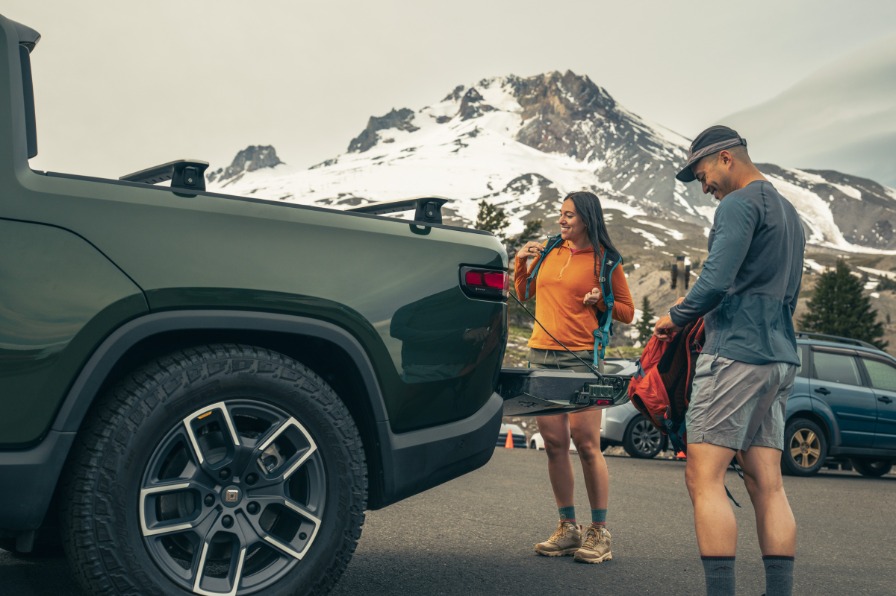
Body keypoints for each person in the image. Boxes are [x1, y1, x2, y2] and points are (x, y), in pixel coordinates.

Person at [653, 125, 805, 596]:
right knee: (768, 485)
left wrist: (674, 318)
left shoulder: (738, 204)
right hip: (779, 358)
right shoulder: (790, 212)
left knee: (704, 475)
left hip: (736, 355)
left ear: (725, 159)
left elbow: (716, 281)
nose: (705, 188)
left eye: (703, 175)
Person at [514, 191, 634, 564]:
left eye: (569, 215)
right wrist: (520, 262)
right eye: (561, 214)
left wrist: (601, 300)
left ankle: (600, 532)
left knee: (585, 442)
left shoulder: (605, 261)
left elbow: (627, 312)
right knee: (553, 444)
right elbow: (523, 292)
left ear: (586, 218)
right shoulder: (550, 252)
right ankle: (568, 528)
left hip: (581, 359)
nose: (562, 220)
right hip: (541, 357)